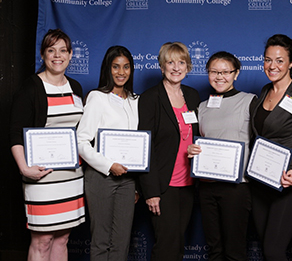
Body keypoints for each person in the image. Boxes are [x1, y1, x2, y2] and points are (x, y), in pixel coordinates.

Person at [10, 29, 85, 261]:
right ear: (43, 55)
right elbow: (15, 134)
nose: (57, 56)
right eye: (51, 50)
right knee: (42, 240)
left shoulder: (76, 87)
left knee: (63, 237)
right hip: (41, 176)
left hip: (71, 176)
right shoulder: (30, 88)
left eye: (63, 50)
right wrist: (24, 169)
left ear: (71, 55)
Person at [249, 34, 292, 260]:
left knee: (273, 250)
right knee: (265, 247)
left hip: (286, 183)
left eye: (279, 60)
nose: (272, 66)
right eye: (268, 59)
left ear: (291, 63)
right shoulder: (264, 92)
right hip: (260, 182)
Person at [187, 51, 255, 261]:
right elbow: (198, 140)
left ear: (236, 74)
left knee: (234, 250)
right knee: (214, 249)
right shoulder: (202, 107)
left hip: (237, 187)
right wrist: (191, 150)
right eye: (214, 72)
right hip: (207, 186)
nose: (219, 77)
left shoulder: (250, 101)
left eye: (225, 72)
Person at [138, 42, 200, 261]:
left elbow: (196, 134)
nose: (176, 67)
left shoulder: (192, 96)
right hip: (163, 186)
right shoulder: (150, 98)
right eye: (170, 62)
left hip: (189, 185)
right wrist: (151, 191)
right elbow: (144, 147)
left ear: (188, 66)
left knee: (178, 244)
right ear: (162, 66)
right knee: (166, 246)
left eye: (181, 62)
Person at [77, 46, 139, 261]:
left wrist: (138, 185)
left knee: (121, 242)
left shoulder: (135, 100)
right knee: (101, 240)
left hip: (129, 179)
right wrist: (108, 165)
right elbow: (81, 140)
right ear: (107, 68)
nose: (121, 72)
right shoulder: (97, 97)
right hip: (101, 177)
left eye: (126, 67)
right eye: (115, 67)